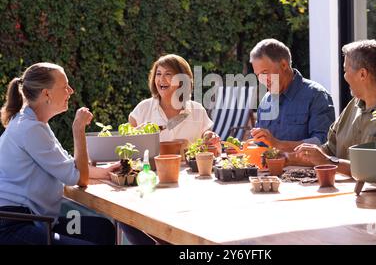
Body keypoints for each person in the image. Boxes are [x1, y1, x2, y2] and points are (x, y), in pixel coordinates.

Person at [0, 62, 119, 245]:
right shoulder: (30, 128)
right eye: (65, 86)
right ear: (46, 93)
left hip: (40, 221)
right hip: (16, 227)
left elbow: (70, 166)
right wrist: (78, 129)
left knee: (101, 230)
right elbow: (78, 178)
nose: (71, 91)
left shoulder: (36, 123)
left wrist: (107, 171)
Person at [293, 39, 376, 189]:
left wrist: (329, 162)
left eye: (345, 70)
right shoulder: (354, 105)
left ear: (362, 74)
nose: (344, 76)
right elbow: (329, 150)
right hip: (347, 200)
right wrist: (286, 158)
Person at [121, 54, 219, 244]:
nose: (161, 79)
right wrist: (137, 137)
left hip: (187, 188)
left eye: (168, 74)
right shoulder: (143, 109)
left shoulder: (197, 111)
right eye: (158, 74)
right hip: (150, 184)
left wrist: (212, 141)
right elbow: (125, 151)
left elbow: (210, 147)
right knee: (124, 216)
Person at [249, 38, 335, 152]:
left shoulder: (317, 95)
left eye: (265, 72)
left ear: (284, 65)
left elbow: (323, 143)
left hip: (304, 170)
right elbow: (258, 144)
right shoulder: (266, 100)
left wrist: (277, 144)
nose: (262, 80)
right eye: (258, 75)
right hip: (267, 170)